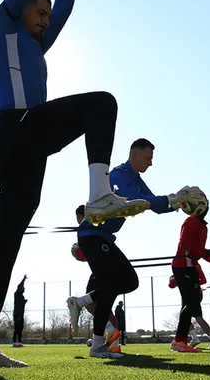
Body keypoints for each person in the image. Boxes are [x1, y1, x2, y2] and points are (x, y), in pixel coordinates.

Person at [0, 0, 151, 369]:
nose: (46, 18)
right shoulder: (3, 26)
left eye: (47, 14)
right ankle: (100, 194)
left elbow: (65, 11)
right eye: (40, 9)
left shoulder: (35, 42)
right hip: (15, 132)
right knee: (101, 104)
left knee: (6, 244)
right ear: (22, 6)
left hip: (27, 151)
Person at [68, 138, 196, 359]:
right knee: (110, 284)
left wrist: (178, 202)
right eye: (148, 158)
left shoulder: (135, 178)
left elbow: (152, 203)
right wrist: (170, 199)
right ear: (134, 155)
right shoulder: (118, 174)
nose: (150, 163)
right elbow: (137, 200)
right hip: (92, 236)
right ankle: (98, 344)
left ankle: (82, 301)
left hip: (104, 238)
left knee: (129, 281)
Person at [70, 205, 121, 353]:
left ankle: (110, 338)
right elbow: (82, 254)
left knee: (97, 305)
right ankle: (110, 340)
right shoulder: (93, 230)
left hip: (102, 271)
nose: (78, 222)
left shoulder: (89, 230)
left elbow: (82, 253)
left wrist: (78, 251)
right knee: (100, 306)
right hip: (101, 271)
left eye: (78, 218)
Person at [169, 204, 210, 352]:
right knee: (191, 302)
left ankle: (181, 341)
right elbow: (186, 244)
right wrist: (206, 252)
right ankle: (179, 340)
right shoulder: (191, 221)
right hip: (184, 263)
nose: (207, 208)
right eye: (204, 205)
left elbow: (197, 249)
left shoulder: (201, 225)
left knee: (189, 303)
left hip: (189, 264)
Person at [13, 276, 27, 347]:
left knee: (20, 328)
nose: (23, 290)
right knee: (17, 328)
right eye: (23, 289)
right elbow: (19, 286)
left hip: (21, 314)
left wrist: (24, 302)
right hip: (17, 313)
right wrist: (23, 280)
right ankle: (14, 342)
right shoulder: (17, 294)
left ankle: (19, 342)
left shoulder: (22, 296)